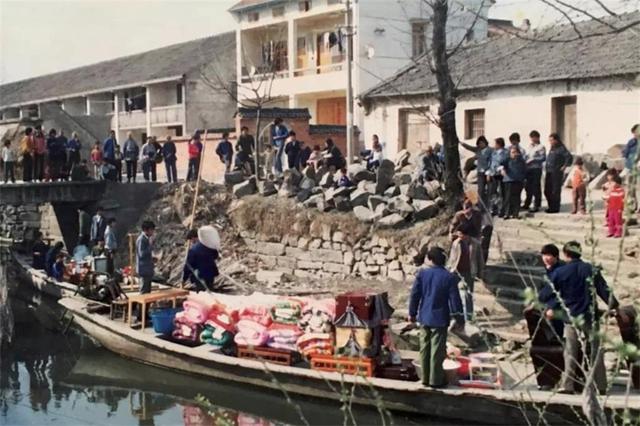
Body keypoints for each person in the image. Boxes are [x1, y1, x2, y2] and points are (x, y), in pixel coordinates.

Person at [542, 241, 619, 394]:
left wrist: (548, 306)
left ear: (565, 254)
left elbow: (546, 294)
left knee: (570, 350)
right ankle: (601, 385)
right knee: (595, 351)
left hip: (571, 317)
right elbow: (604, 290)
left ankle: (568, 385)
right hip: (590, 316)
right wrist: (615, 306)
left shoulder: (561, 272)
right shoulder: (591, 270)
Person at [408, 246, 464, 388]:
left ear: (431, 259)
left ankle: (425, 378)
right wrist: (459, 319)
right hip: (440, 318)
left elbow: (415, 295)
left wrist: (412, 314)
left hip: (424, 316)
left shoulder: (422, 274)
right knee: (437, 351)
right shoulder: (449, 277)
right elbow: (455, 301)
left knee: (424, 348)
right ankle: (436, 380)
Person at [447, 222, 484, 321]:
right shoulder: (456, 243)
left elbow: (480, 259)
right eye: (458, 234)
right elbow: (452, 258)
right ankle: (452, 314)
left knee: (468, 294)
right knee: (451, 292)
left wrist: (480, 273)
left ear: (466, 234)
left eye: (461, 234)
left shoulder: (476, 244)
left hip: (469, 271)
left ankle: (469, 316)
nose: (459, 236)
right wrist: (449, 269)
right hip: (456, 271)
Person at [182, 225, 220, 292]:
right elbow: (215, 256)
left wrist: (184, 279)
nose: (191, 242)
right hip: (211, 274)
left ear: (194, 238)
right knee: (210, 291)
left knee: (202, 294)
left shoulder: (193, 250)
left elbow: (188, 266)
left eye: (191, 240)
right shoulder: (209, 245)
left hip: (200, 276)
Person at [460, 136, 492, 210]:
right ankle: (481, 207)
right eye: (479, 143)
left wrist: (489, 172)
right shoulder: (478, 149)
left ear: (485, 142)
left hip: (488, 173)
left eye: (481, 143)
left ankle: (489, 207)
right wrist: (461, 143)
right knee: (480, 190)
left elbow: (492, 161)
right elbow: (469, 147)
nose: (480, 145)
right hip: (480, 172)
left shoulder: (490, 150)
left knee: (490, 191)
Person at [544, 133, 573, 213]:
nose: (550, 142)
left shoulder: (561, 148)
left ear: (556, 140)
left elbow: (569, 157)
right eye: (549, 140)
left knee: (555, 190)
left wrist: (564, 166)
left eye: (552, 140)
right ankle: (550, 206)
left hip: (556, 172)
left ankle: (555, 208)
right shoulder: (552, 148)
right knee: (547, 190)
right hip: (549, 171)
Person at [522, 130, 546, 213]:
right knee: (528, 187)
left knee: (536, 187)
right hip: (528, 169)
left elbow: (543, 158)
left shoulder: (541, 147)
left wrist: (533, 160)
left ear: (537, 138)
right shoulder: (529, 147)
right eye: (531, 138)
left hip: (536, 168)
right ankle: (527, 203)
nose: (532, 139)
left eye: (533, 138)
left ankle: (537, 205)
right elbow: (526, 155)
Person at [501, 146, 527, 220]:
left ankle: (516, 213)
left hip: (518, 180)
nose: (514, 154)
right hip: (509, 180)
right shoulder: (507, 160)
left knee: (517, 197)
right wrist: (502, 169)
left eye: (515, 152)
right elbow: (501, 164)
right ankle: (507, 213)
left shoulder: (521, 161)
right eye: (512, 152)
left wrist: (524, 179)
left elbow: (524, 170)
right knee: (508, 197)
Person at [488, 138, 508, 216]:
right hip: (494, 174)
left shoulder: (505, 153)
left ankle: (501, 209)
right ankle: (493, 208)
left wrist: (500, 168)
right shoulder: (494, 153)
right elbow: (491, 163)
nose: (493, 145)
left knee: (502, 193)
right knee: (493, 192)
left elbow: (503, 162)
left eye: (495, 143)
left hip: (501, 175)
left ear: (499, 144)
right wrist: (489, 173)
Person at [136, 220, 156, 294]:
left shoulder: (146, 239)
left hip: (147, 268)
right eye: (152, 230)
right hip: (143, 269)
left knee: (148, 291)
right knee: (144, 290)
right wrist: (150, 246)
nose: (153, 232)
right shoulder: (141, 239)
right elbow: (141, 254)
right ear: (146, 230)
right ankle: (142, 306)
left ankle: (146, 305)